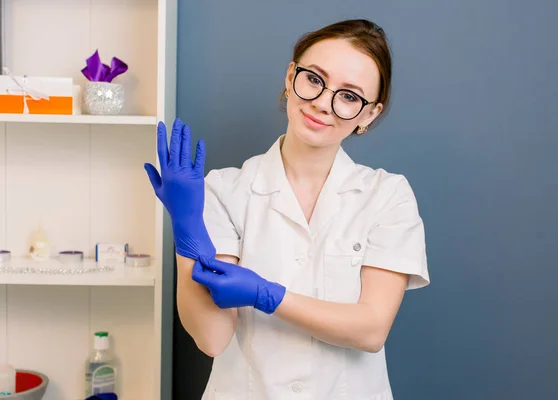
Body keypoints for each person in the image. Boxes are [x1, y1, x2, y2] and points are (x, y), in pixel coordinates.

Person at [145, 18, 430, 400]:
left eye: (349, 96)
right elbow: (212, 339)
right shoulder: (224, 190)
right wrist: (186, 229)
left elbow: (371, 330)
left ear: (370, 114)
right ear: (290, 75)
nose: (322, 104)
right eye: (314, 79)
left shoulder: (388, 196)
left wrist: (267, 295)